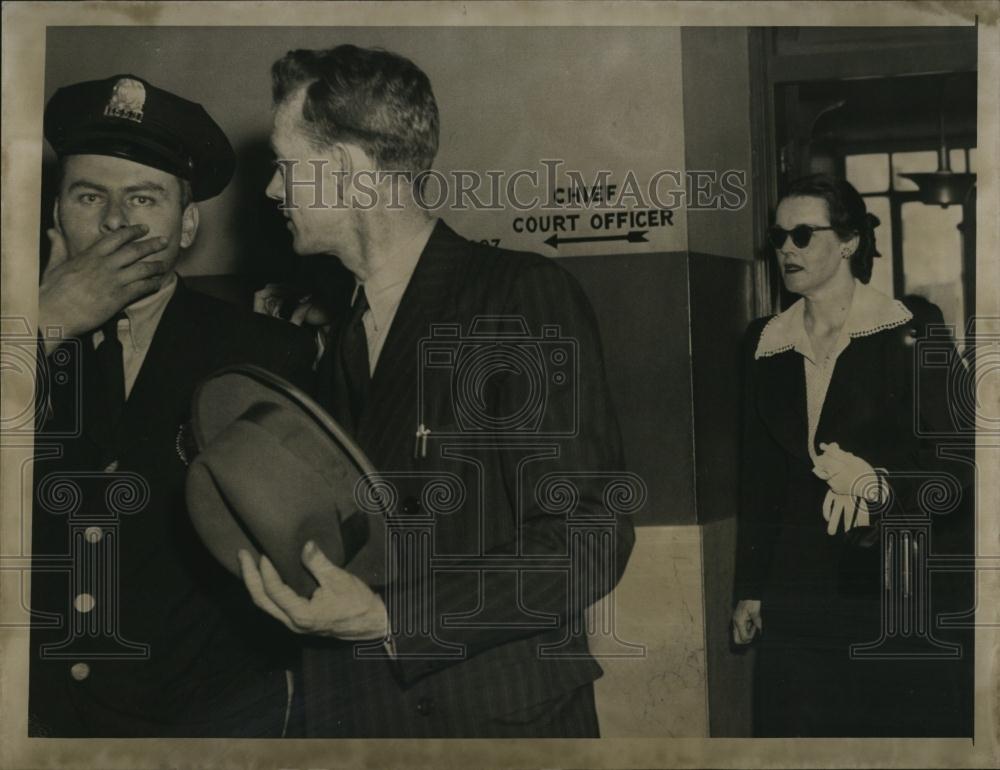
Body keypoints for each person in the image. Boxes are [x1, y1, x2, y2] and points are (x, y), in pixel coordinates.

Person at [239, 44, 635, 737]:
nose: (273, 191)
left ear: (348, 173)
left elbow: (589, 534)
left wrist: (394, 618)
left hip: (494, 722)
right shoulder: (342, 332)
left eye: (285, 165)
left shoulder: (516, 297)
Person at [30, 74, 316, 737]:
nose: (115, 221)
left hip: (204, 719)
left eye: (144, 198)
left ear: (187, 225)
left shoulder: (268, 353)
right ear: (56, 216)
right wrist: (41, 325)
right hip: (44, 720)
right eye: (89, 195)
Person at [731, 174, 974, 736]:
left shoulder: (914, 332)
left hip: (892, 584)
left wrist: (885, 487)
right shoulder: (765, 342)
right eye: (778, 237)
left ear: (848, 242)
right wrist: (750, 586)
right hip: (797, 592)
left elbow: (965, 463)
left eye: (801, 234)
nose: (785, 249)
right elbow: (759, 477)